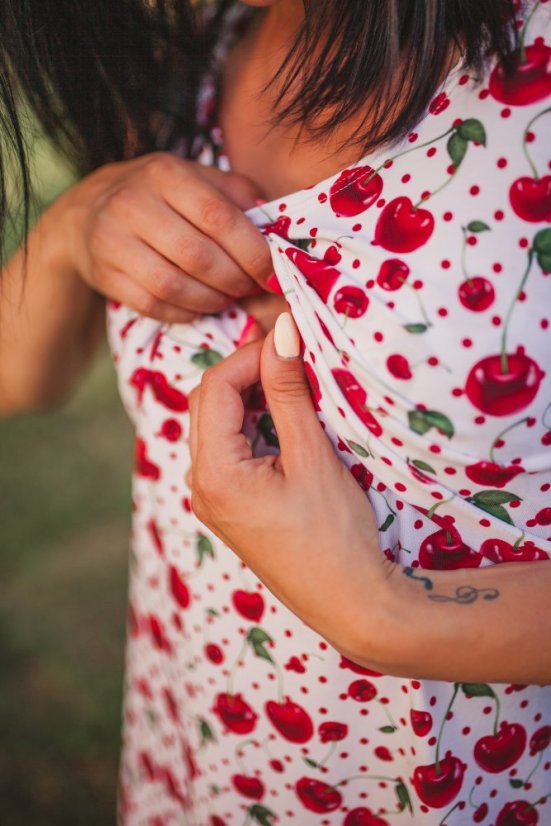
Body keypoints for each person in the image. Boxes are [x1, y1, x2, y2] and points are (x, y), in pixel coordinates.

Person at [1, 0, 550, 823]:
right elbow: (20, 380)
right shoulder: (196, 45)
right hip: (210, 756)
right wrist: (74, 225)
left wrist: (382, 613)